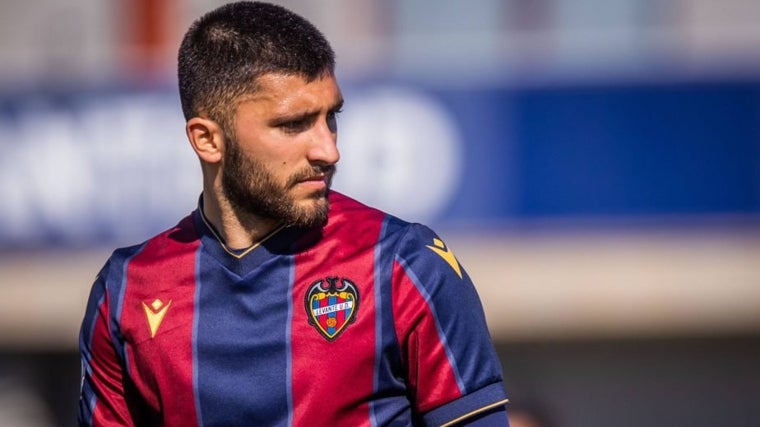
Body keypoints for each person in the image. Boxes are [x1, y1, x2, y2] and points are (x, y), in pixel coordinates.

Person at [78, 2, 509, 426]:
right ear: (208, 140)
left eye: (331, 117)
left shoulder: (405, 265)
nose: (328, 150)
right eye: (293, 125)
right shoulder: (127, 291)